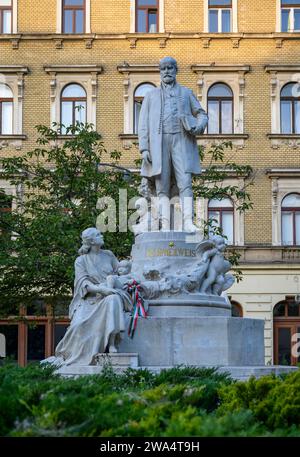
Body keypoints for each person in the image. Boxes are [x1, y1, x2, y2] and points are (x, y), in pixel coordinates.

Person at [138, 56, 208, 232]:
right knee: (162, 185)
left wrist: (199, 126)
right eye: (163, 69)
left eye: (170, 68)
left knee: (185, 182)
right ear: (160, 72)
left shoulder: (186, 93)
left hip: (181, 141)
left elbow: (202, 114)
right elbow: (143, 124)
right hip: (158, 143)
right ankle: (165, 225)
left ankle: (187, 222)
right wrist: (144, 147)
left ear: (176, 70)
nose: (167, 72)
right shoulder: (151, 95)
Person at [43, 227, 128, 367]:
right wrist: (101, 289)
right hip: (90, 300)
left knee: (113, 299)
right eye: (98, 234)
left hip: (108, 294)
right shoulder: (81, 260)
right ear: (91, 241)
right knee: (77, 325)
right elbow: (84, 283)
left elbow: (120, 272)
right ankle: (72, 355)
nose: (102, 235)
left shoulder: (109, 255)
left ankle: (112, 343)